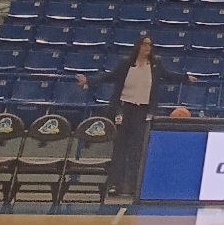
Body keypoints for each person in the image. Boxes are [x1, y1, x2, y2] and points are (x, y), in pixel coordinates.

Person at [77, 34, 197, 197]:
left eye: (150, 44)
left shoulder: (155, 64)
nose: (148, 47)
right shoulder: (126, 63)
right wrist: (89, 81)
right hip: (124, 108)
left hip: (142, 110)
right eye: (145, 44)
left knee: (136, 149)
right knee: (120, 148)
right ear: (138, 46)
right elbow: (110, 76)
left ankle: (133, 186)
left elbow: (168, 75)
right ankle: (115, 184)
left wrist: (185, 78)